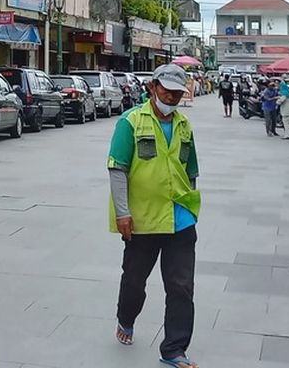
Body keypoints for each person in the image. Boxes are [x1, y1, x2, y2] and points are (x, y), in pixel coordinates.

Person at [108, 63, 201, 368]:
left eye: (177, 92)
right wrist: (123, 214)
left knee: (181, 286)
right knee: (135, 280)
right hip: (143, 220)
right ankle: (126, 317)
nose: (172, 97)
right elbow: (118, 169)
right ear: (153, 88)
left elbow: (191, 171)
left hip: (180, 220)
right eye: (167, 91)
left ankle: (174, 348)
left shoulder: (185, 125)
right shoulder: (130, 122)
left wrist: (191, 205)